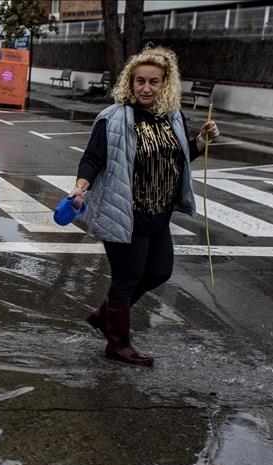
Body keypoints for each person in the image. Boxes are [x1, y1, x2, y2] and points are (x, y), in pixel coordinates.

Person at [68, 46, 220, 367]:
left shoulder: (173, 117)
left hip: (158, 214)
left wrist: (201, 143)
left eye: (154, 82)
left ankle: (106, 316)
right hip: (125, 211)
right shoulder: (113, 118)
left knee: (159, 272)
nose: (146, 88)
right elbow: (93, 157)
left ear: (166, 83)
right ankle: (118, 344)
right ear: (130, 82)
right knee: (127, 278)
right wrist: (81, 187)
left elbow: (178, 159)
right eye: (140, 81)